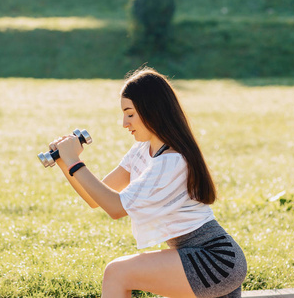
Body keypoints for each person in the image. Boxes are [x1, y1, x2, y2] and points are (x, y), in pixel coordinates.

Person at [49, 67, 247, 298]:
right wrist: (65, 161)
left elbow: (115, 208)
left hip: (214, 259)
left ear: (153, 111)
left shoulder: (171, 162)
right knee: (118, 272)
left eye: (130, 114)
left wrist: (74, 161)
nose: (124, 123)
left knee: (117, 272)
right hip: (194, 255)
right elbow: (96, 199)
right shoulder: (143, 150)